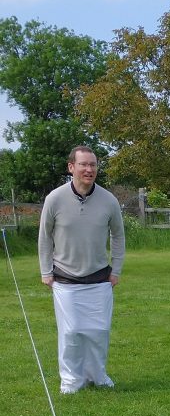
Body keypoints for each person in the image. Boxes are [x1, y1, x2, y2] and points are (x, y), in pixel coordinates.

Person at [38, 145, 125, 394]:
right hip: (65, 278)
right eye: (84, 164)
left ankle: (97, 375)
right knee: (72, 332)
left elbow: (118, 236)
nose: (89, 169)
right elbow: (45, 237)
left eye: (93, 165)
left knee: (99, 331)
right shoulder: (54, 198)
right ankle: (71, 380)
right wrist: (46, 271)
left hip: (99, 277)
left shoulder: (109, 200)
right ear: (71, 167)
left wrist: (116, 269)